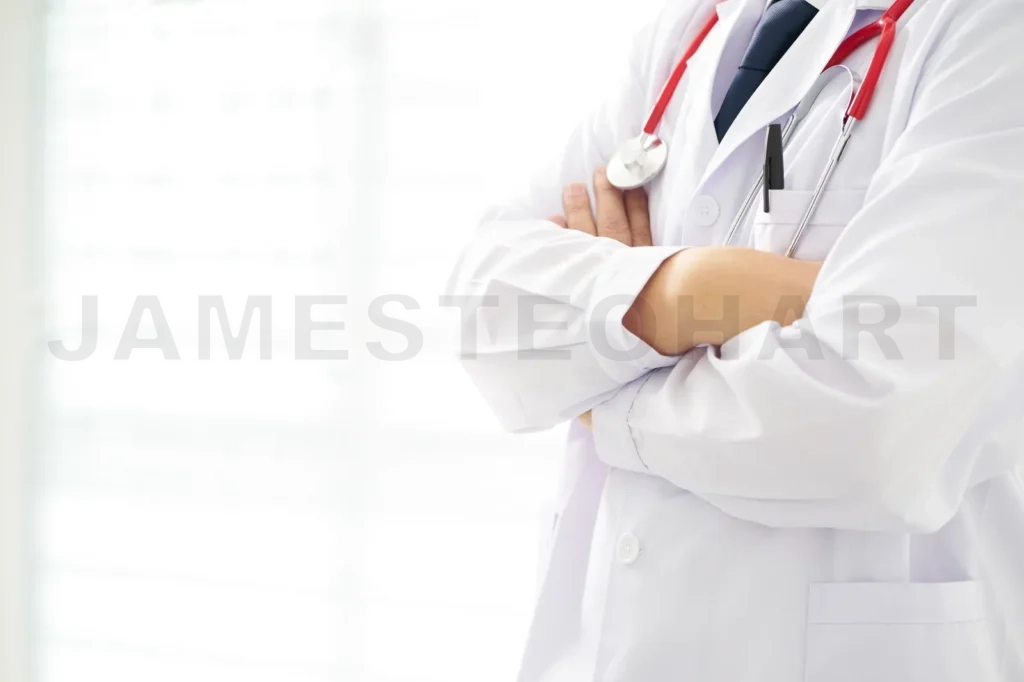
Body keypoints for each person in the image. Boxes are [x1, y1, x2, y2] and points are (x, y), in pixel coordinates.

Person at [445, 0, 1024, 679]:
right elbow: (486, 305)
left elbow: (873, 422)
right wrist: (693, 287)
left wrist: (603, 382)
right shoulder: (685, 35)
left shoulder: (991, 34)